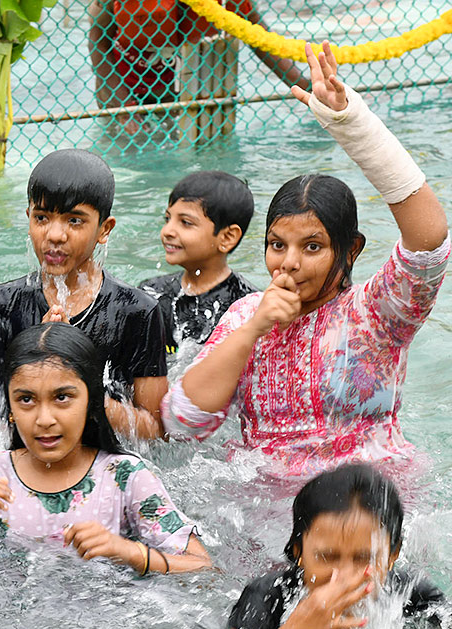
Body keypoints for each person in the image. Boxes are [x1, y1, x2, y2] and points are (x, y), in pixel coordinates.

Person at [163, 43, 450, 478]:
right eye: (277, 245)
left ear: (350, 250)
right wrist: (254, 329)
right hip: (263, 508)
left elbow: (427, 241)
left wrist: (355, 127)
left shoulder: (376, 314)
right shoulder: (245, 314)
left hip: (366, 506)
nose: (289, 263)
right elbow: (182, 421)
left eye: (312, 247)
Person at [0, 323, 210, 572]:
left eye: (62, 397)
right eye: (26, 399)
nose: (44, 419)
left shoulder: (124, 477)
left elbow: (202, 567)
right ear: (9, 408)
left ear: (93, 402)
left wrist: (130, 552)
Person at [0, 149, 168, 439]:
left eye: (74, 221)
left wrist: (79, 382)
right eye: (41, 218)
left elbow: (154, 430)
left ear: (104, 229)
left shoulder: (137, 312)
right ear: (28, 219)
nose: (55, 235)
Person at [227, 463, 443, 629]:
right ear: (298, 551)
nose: (344, 576)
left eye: (364, 558)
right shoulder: (268, 598)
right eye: (327, 557)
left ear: (391, 556)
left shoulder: (411, 594)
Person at [87, 0, 305, 129]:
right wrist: (125, 111)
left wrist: (306, 87)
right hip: (122, 86)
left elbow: (260, 40)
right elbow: (98, 39)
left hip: (185, 93)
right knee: (125, 158)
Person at [139, 170, 256, 353]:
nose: (167, 231)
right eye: (167, 219)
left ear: (227, 237)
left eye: (185, 222)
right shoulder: (151, 293)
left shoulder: (246, 307)